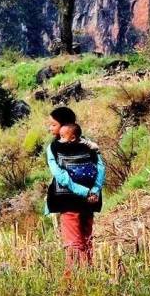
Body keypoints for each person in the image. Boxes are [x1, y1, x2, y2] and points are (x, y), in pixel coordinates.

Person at [45, 106, 105, 270]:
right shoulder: (90, 145)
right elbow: (100, 168)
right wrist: (94, 191)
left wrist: (84, 191)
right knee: (87, 240)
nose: (50, 129)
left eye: (53, 125)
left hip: (68, 201)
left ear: (64, 126)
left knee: (73, 243)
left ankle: (73, 282)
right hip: (90, 201)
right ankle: (89, 275)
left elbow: (61, 177)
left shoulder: (54, 148)